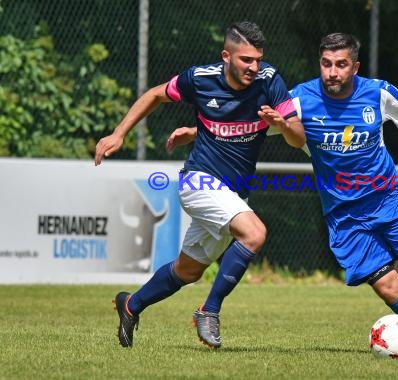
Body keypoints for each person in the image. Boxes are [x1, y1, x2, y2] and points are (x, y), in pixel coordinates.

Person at [94, 21, 305, 349]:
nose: (254, 67)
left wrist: (283, 125)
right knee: (255, 233)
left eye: (257, 59)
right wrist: (119, 133)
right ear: (226, 56)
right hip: (198, 181)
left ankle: (131, 304)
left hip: (233, 193)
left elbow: (297, 138)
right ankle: (209, 311)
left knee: (187, 271)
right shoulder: (200, 78)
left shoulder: (270, 81)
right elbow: (155, 94)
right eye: (245, 59)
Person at [287, 33, 398, 356]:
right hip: (345, 217)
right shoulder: (300, 100)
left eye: (341, 65)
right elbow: (255, 124)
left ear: (355, 67)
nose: (332, 72)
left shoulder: (377, 93)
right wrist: (199, 131)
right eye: (326, 64)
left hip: (390, 199)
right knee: (389, 288)